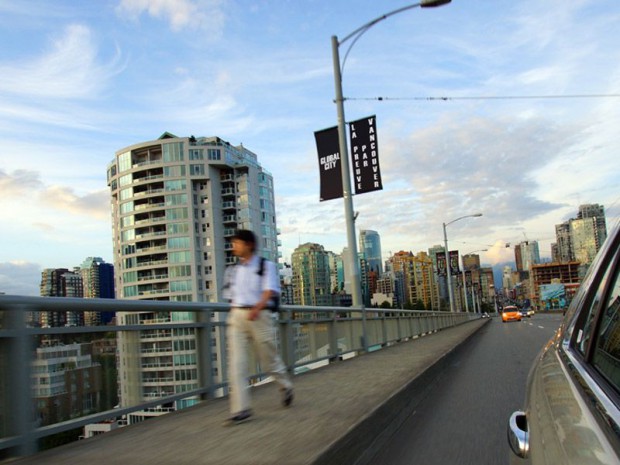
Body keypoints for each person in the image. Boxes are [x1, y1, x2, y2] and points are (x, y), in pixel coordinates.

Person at [222, 229, 293, 426]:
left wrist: (257, 308)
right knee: (237, 363)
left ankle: (285, 385)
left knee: (268, 359)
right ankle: (241, 409)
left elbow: (270, 290)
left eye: (237, 243)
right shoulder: (233, 270)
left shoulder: (265, 266)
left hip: (259, 316)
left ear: (249, 245)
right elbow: (230, 294)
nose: (233, 246)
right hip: (237, 317)